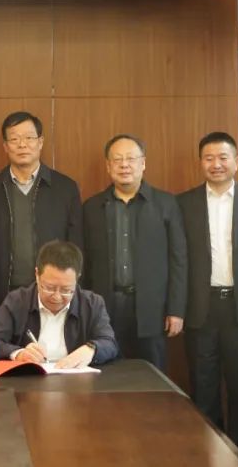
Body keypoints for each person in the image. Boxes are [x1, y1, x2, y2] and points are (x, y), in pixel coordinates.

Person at [176, 132, 238, 458]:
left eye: (223, 157)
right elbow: (179, 260)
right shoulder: (183, 203)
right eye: (209, 158)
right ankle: (208, 455)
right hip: (200, 308)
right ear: (200, 162)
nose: (216, 164)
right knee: (203, 389)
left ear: (236, 161)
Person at [82, 134, 187, 370]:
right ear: (108, 166)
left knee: (153, 376)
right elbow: (85, 263)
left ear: (143, 163)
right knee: (108, 376)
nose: (124, 165)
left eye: (130, 158)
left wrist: (176, 310)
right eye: (117, 159)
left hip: (153, 309)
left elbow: (179, 261)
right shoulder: (92, 207)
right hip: (105, 308)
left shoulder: (166, 204)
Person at [0, 111, 82, 329]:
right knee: (8, 348)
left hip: (53, 293)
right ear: (5, 146)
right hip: (3, 294)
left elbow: (76, 245)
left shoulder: (65, 188)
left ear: (40, 142)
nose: (22, 144)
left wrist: (74, 292)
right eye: (14, 139)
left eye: (29, 138)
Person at [0, 241, 117, 367]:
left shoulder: (92, 304)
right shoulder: (17, 301)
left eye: (66, 290)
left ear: (77, 278)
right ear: (37, 274)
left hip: (76, 380)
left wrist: (91, 349)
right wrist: (18, 353)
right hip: (29, 379)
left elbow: (110, 343)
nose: (57, 297)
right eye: (49, 288)